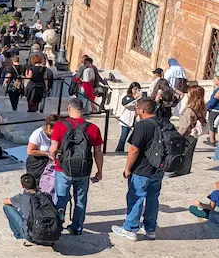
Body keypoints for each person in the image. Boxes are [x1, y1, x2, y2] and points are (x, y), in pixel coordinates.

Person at [48, 97, 103, 235]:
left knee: (61, 198)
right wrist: (99, 171)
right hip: (84, 170)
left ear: (69, 109)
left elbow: (53, 148)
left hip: (63, 169)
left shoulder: (60, 125)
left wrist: (54, 158)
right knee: (81, 199)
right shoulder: (93, 128)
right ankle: (77, 227)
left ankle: (58, 226)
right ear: (82, 111)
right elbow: (97, 151)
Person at [113, 98, 164, 241]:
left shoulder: (142, 125)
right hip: (158, 169)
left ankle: (130, 229)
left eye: (136, 109)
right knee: (153, 199)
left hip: (142, 169)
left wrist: (127, 168)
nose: (136, 111)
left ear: (142, 110)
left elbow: (134, 149)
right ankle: (150, 230)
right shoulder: (164, 122)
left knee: (136, 198)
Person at [26, 114, 60, 194]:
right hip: (37, 163)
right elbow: (30, 151)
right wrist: (46, 154)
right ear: (49, 127)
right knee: (35, 187)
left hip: (49, 164)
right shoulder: (37, 134)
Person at [2, 173, 41, 241]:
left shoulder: (21, 198)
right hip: (45, 229)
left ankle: (18, 235)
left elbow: (5, 201)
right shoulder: (45, 195)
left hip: (31, 234)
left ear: (23, 186)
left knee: (7, 207)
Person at [117, 82, 142, 151]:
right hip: (126, 119)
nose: (135, 91)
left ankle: (135, 150)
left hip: (136, 119)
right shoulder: (127, 97)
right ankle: (119, 149)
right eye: (134, 89)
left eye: (138, 89)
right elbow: (126, 104)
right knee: (124, 136)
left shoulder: (141, 98)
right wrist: (134, 98)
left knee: (137, 136)